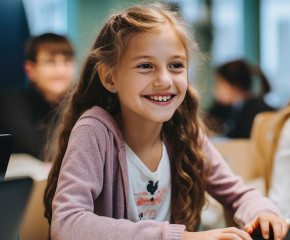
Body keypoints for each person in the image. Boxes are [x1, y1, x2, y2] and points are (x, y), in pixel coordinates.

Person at [43, 3, 288, 240]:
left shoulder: (183, 131)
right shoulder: (94, 131)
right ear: (110, 78)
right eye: (146, 65)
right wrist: (181, 237)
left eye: (175, 65)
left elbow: (237, 194)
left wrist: (262, 212)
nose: (164, 80)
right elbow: (66, 224)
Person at [0, 33, 75, 160]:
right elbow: (34, 147)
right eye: (50, 62)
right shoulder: (11, 102)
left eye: (67, 62)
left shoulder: (82, 102)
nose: (60, 71)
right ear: (30, 69)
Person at [205, 59, 275, 138]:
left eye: (218, 84)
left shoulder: (256, 113)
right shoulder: (233, 106)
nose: (214, 90)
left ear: (233, 86)